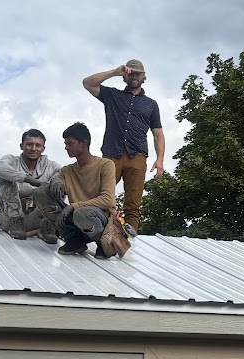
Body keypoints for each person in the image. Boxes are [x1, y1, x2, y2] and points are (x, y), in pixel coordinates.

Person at [82, 59, 165, 235]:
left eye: (137, 73)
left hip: (138, 155)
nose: (134, 76)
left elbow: (158, 134)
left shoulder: (151, 104)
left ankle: (130, 236)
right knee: (102, 195)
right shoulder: (112, 95)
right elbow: (87, 83)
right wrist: (114, 72)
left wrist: (160, 160)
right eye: (130, 73)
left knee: (133, 202)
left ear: (144, 77)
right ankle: (99, 230)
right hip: (112, 154)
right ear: (125, 76)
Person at [52, 121, 118, 257]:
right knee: (42, 193)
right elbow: (56, 177)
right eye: (65, 144)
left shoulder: (106, 165)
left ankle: (104, 242)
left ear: (83, 144)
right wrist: (56, 180)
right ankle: (75, 239)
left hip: (100, 218)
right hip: (77, 219)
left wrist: (74, 206)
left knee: (81, 213)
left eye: (70, 143)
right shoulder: (68, 170)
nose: (66, 148)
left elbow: (108, 200)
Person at [0, 129, 61, 244]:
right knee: (5, 176)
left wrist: (57, 182)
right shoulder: (11, 160)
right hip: (9, 217)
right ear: (21, 146)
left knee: (59, 183)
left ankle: (48, 226)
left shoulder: (52, 166)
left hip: (37, 218)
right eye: (29, 144)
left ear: (43, 149)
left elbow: (65, 176)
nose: (33, 149)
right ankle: (15, 220)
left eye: (38, 145)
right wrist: (29, 180)